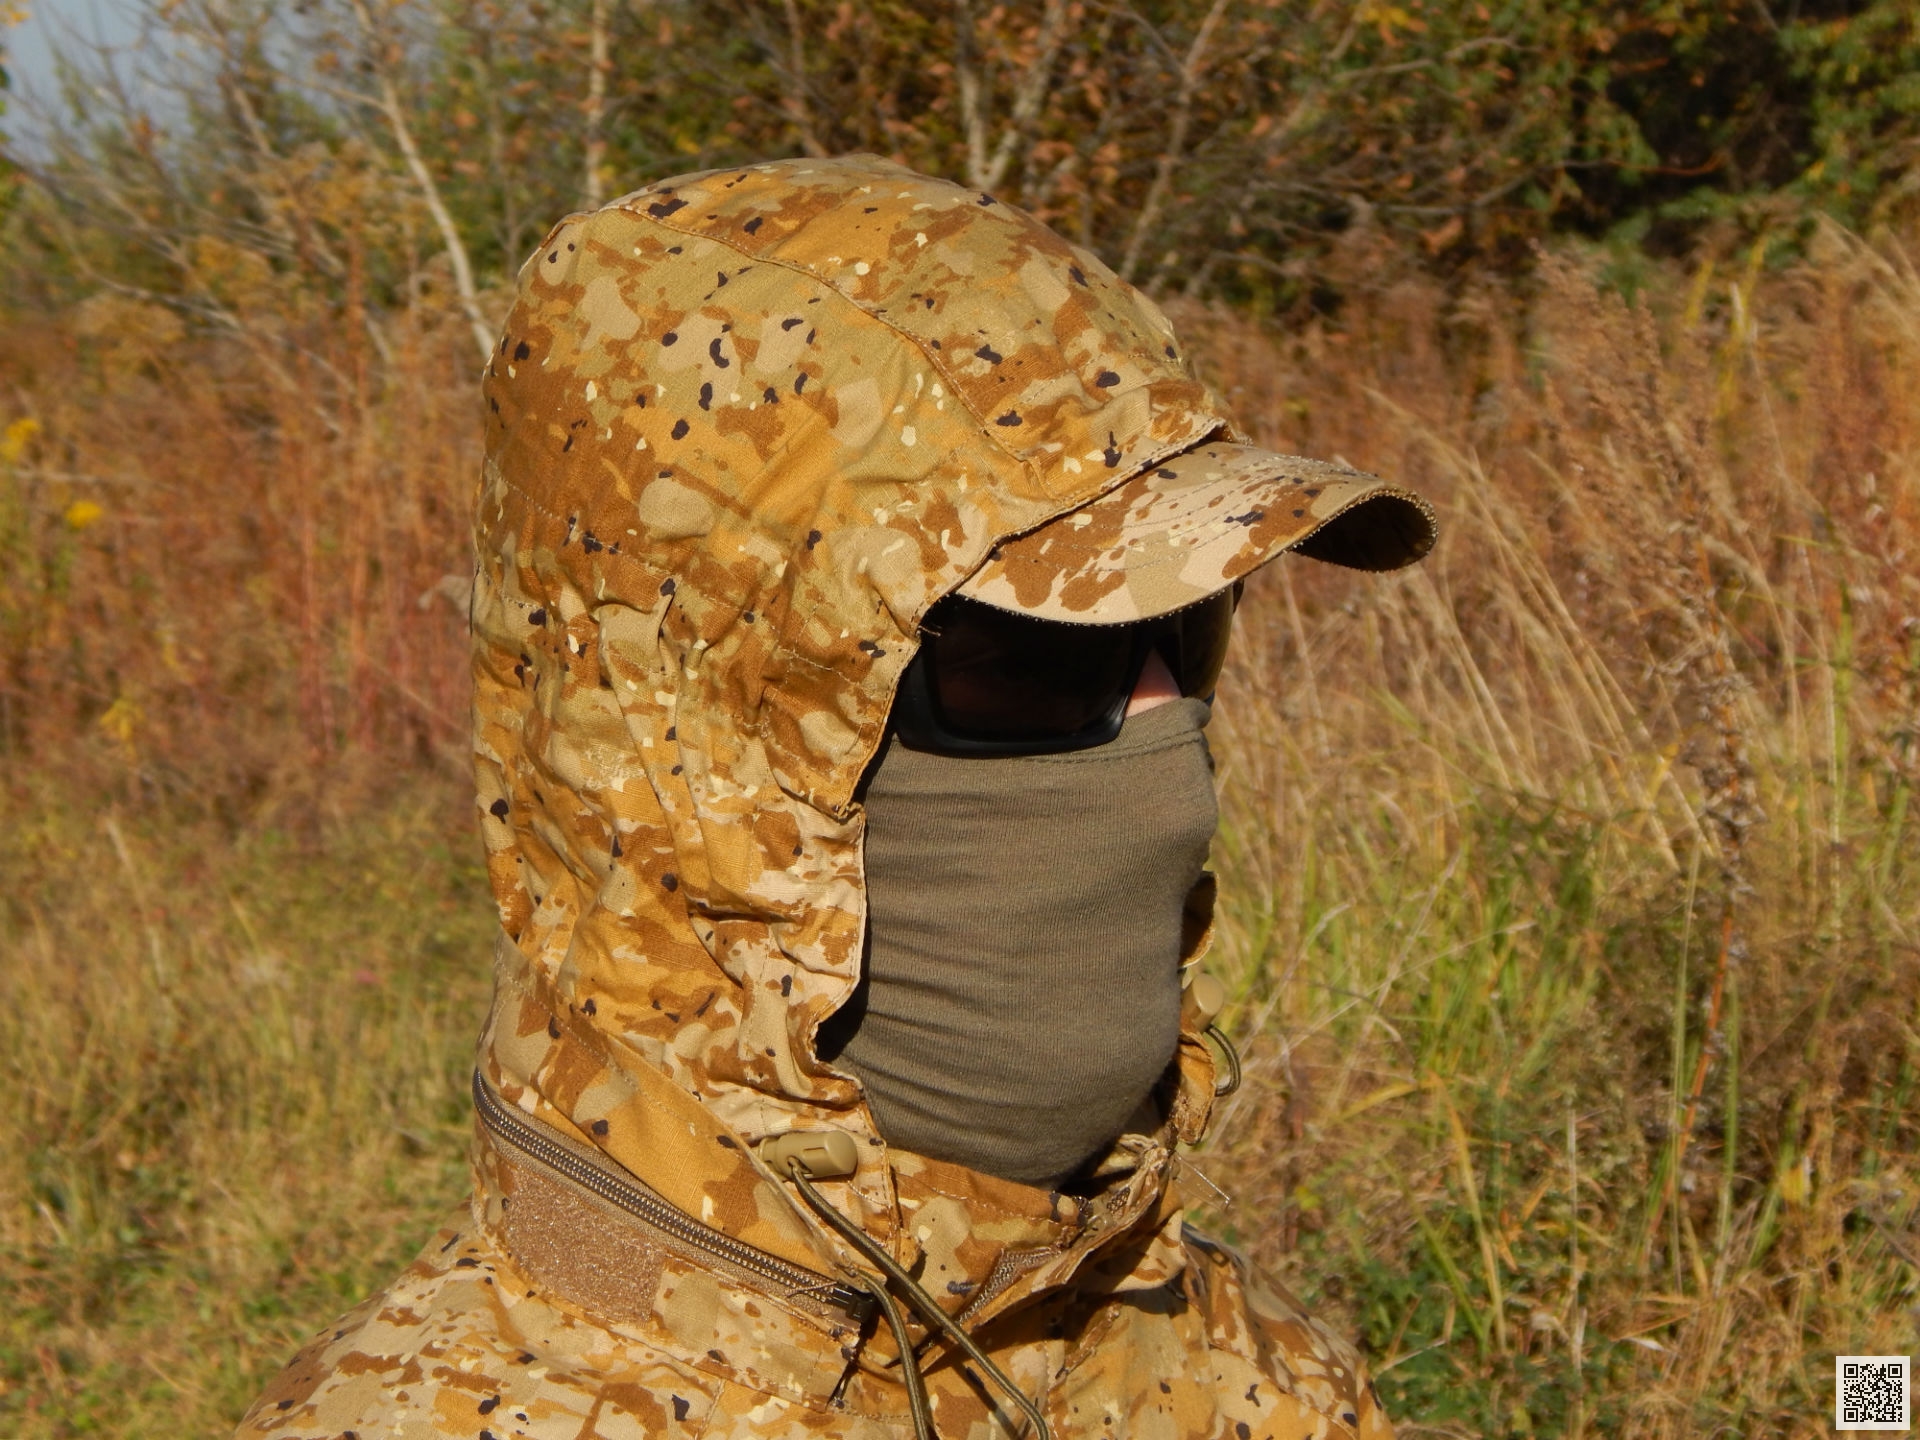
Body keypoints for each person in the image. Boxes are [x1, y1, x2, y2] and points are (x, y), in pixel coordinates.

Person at [238, 154, 1434, 1440]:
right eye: (1033, 656)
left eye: (1189, 626)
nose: (1168, 737)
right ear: (705, 751)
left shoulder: (1244, 1367)